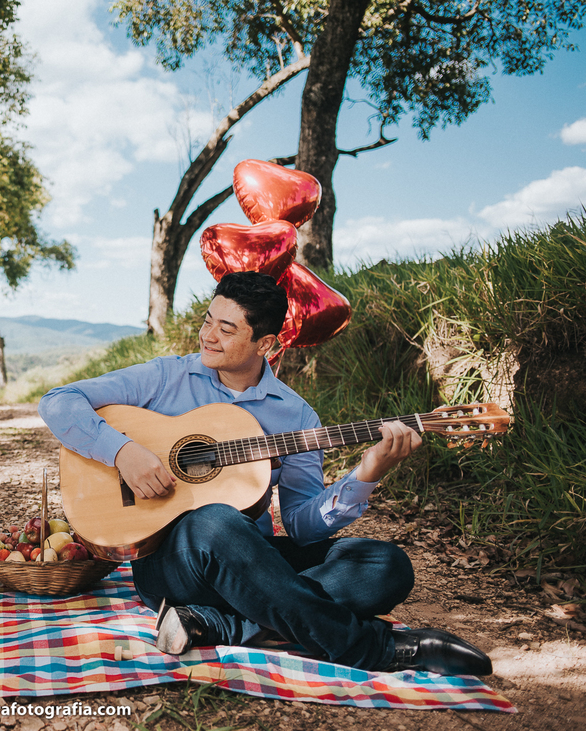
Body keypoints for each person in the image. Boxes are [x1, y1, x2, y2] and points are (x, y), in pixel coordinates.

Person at [38, 271, 491, 676]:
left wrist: (367, 473)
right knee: (215, 520)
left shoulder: (295, 415)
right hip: (170, 566)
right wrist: (123, 452)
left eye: (226, 328)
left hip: (253, 562)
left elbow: (300, 527)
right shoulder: (164, 377)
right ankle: (372, 648)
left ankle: (221, 624)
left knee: (384, 565)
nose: (208, 335)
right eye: (208, 319)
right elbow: (59, 401)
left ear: (266, 344)